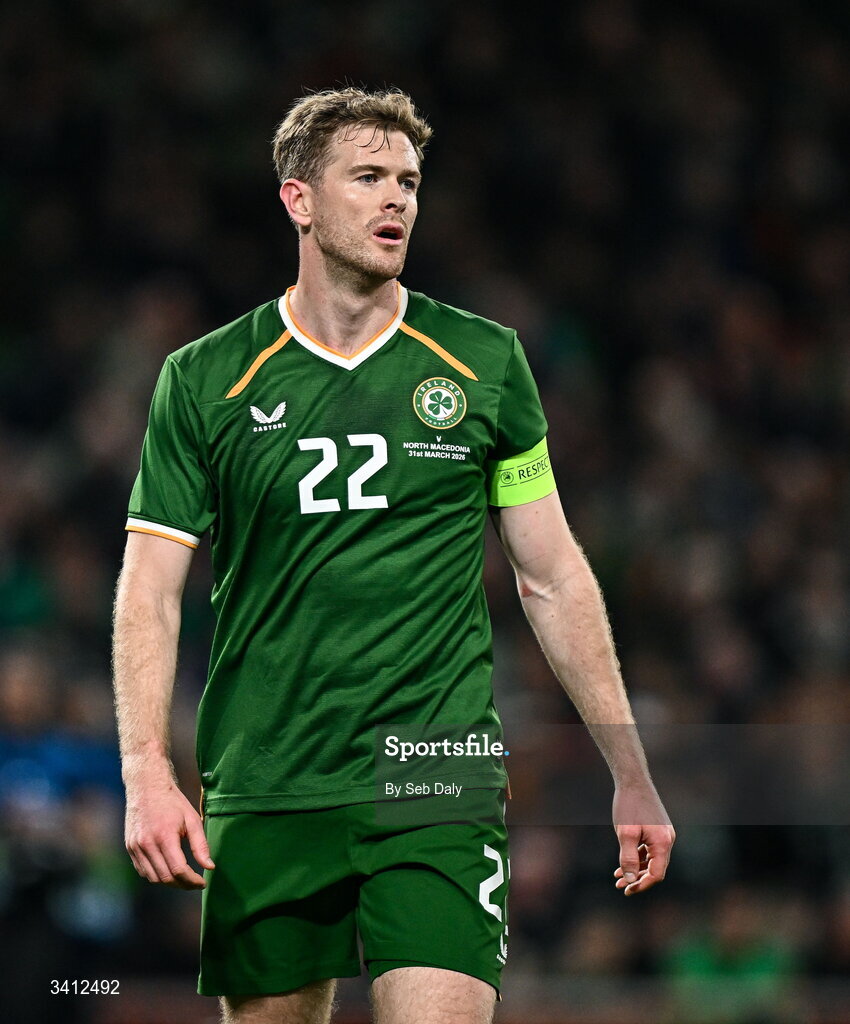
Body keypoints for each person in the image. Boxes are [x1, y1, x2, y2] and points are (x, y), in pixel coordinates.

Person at [112, 86, 675, 1024]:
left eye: (409, 181)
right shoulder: (205, 378)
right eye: (367, 177)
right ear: (299, 199)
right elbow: (152, 590)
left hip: (434, 770)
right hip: (268, 775)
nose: (396, 201)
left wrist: (630, 767)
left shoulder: (482, 361)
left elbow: (551, 574)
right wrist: (143, 773)